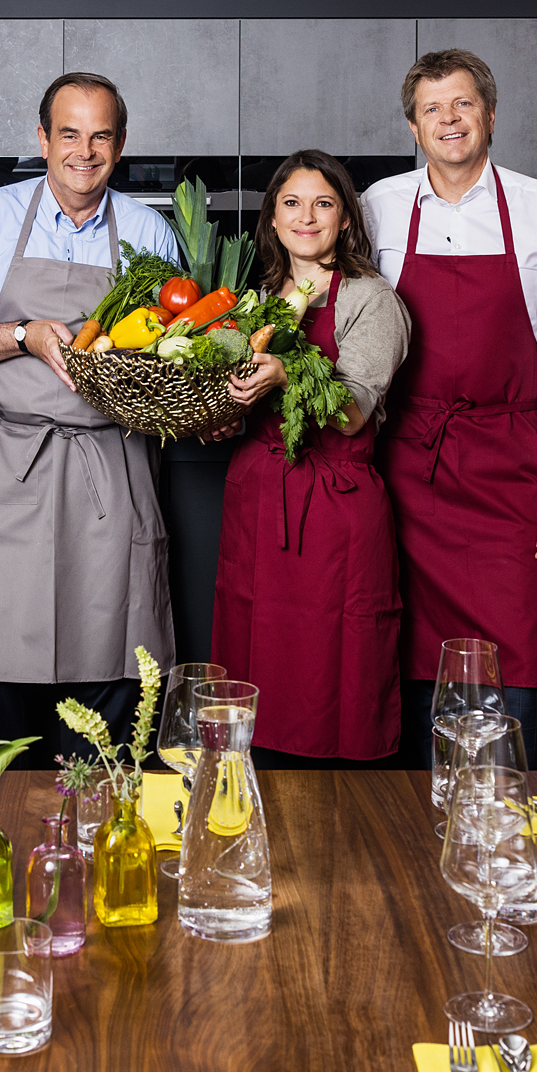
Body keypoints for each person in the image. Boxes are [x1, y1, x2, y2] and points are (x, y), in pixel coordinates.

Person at [0, 73, 180, 761]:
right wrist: (23, 333)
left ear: (121, 145)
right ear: (42, 139)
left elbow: (178, 358)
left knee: (113, 684)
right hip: (9, 473)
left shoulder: (149, 233)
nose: (83, 151)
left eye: (100, 135)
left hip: (112, 475)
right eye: (69, 133)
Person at [362, 50, 537, 757]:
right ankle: (414, 831)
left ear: (490, 114)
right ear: (412, 125)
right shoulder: (378, 206)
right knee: (407, 654)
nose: (448, 120)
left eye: (462, 104)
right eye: (432, 109)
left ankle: (496, 826)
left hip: (509, 468)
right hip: (407, 466)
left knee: (515, 647)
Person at [212, 150, 411, 766]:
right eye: (291, 203)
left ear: (345, 218)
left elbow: (351, 409)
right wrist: (215, 413)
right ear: (271, 219)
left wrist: (284, 374)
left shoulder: (373, 302)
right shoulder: (252, 301)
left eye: (323, 204)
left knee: (340, 674)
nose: (306, 217)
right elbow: (231, 405)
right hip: (258, 499)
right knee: (253, 666)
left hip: (336, 511)